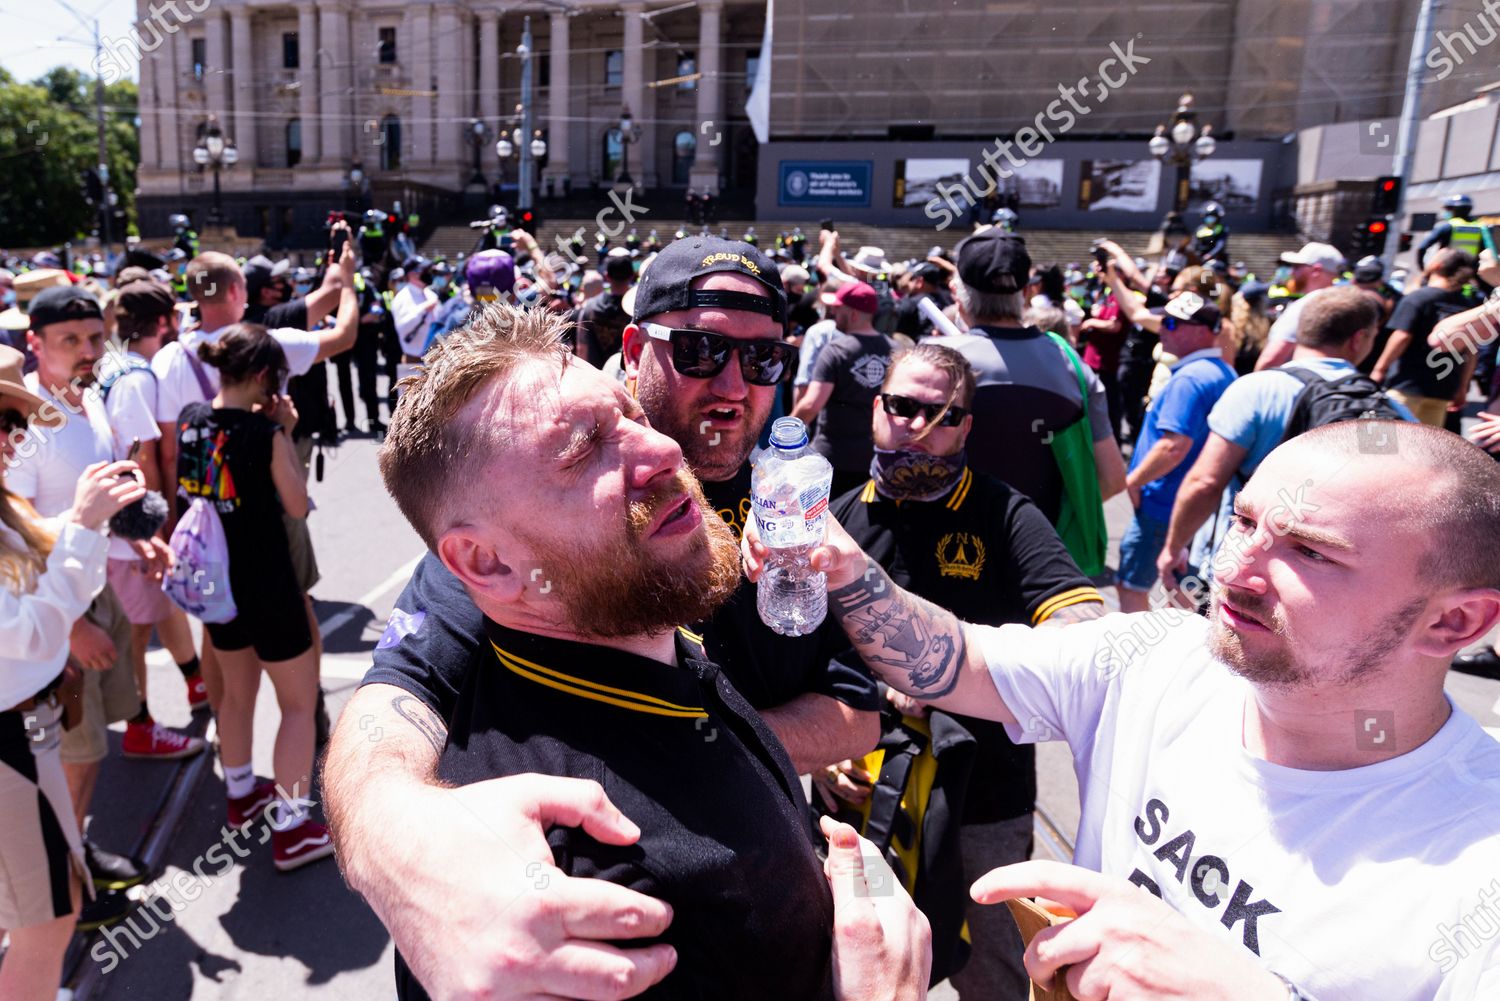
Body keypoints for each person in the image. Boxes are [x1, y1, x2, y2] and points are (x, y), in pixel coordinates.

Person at [744, 417, 1500, 1001]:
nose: (1237, 571)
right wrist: (835, 562)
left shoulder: (1476, 864)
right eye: (1242, 522)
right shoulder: (1159, 658)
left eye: (1310, 551)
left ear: (1455, 623)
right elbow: (958, 661)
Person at [325, 236, 889, 997]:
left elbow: (860, 710)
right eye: (701, 350)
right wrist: (400, 836)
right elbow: (395, 696)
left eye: (762, 361)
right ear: (633, 347)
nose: (732, 386)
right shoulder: (583, 866)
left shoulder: (793, 505)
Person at [822, 341, 1105, 999]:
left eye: (943, 415)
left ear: (967, 426)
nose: (919, 426)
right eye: (903, 406)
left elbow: (1081, 622)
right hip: (864, 795)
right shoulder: (837, 521)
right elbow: (801, 659)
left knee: (998, 971)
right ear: (875, 410)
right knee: (860, 962)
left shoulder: (1004, 514)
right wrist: (822, 754)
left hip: (983, 794)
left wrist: (966, 670)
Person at [8, 287, 189, 930]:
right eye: (70, 341)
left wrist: (133, 536)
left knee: (88, 752)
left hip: (93, 585)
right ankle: (66, 889)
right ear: (36, 344)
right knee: (70, 754)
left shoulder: (90, 398)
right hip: (53, 620)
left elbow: (94, 501)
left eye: (95, 337)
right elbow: (17, 535)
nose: (88, 352)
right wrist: (74, 624)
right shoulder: (24, 424)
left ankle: (74, 857)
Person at [2, 344, 147, 997]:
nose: (17, 436)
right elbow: (28, 633)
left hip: (27, 738)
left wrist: (91, 522)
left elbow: (38, 553)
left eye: (18, 420)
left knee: (43, 909)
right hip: (11, 748)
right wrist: (87, 525)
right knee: (46, 926)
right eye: (5, 420)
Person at [177, 324, 334, 871]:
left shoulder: (191, 423)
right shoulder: (263, 434)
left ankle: (241, 795)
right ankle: (292, 829)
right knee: (296, 705)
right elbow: (296, 504)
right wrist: (285, 433)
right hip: (267, 585)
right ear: (267, 376)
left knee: (235, 698)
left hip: (217, 588)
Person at [1158, 286, 1414, 590]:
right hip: (1324, 579)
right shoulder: (1386, 407)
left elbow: (1205, 482)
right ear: (1358, 338)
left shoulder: (1256, 390)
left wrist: (1173, 549)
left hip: (1242, 563)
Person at [933, 229, 1125, 564]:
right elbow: (1111, 479)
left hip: (942, 551)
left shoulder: (930, 362)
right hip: (1038, 559)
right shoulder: (1074, 367)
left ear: (957, 294)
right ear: (1026, 293)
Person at [103, 280, 207, 718]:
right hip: (127, 528)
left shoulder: (117, 364)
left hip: (120, 522)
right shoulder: (135, 378)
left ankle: (195, 682)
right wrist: (156, 528)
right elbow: (141, 456)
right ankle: (139, 721)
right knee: (135, 629)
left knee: (161, 605)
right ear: (163, 322)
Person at [1106, 276, 1237, 611]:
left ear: (1203, 331)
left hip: (1163, 501)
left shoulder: (1191, 378)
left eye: (1173, 323)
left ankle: (1138, 660)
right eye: (1164, 320)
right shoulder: (1219, 371)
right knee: (1181, 587)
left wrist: (1132, 481)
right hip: (1185, 502)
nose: (1163, 328)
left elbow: (1173, 447)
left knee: (1131, 586)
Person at [792, 280, 899, 497]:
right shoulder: (897, 351)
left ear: (852, 315)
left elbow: (812, 403)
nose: (832, 313)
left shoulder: (836, 351)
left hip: (834, 458)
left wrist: (787, 433)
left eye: (837, 309)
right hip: (878, 459)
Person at [1369, 249, 1480, 426]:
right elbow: (1471, 351)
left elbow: (1401, 336)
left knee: (1385, 444)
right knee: (1424, 448)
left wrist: (1379, 370)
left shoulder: (1417, 298)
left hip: (1405, 386)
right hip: (1442, 390)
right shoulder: (1468, 306)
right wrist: (1462, 387)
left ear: (1437, 265)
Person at [1253, 242, 1345, 370]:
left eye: (1297, 267)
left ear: (1316, 270)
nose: (1292, 272)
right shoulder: (1343, 304)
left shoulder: (1306, 306)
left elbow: (1270, 360)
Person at [1416, 194, 1486, 268]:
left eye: (1448, 209)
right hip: (1472, 269)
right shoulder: (1481, 227)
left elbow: (1422, 247)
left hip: (1447, 269)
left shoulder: (1447, 226)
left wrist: (1422, 268)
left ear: (1456, 209)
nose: (1446, 211)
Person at [390, 258, 439, 361]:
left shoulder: (430, 294)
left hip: (434, 355)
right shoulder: (402, 297)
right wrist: (424, 309)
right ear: (412, 274)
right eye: (424, 270)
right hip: (414, 358)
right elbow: (403, 327)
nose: (428, 273)